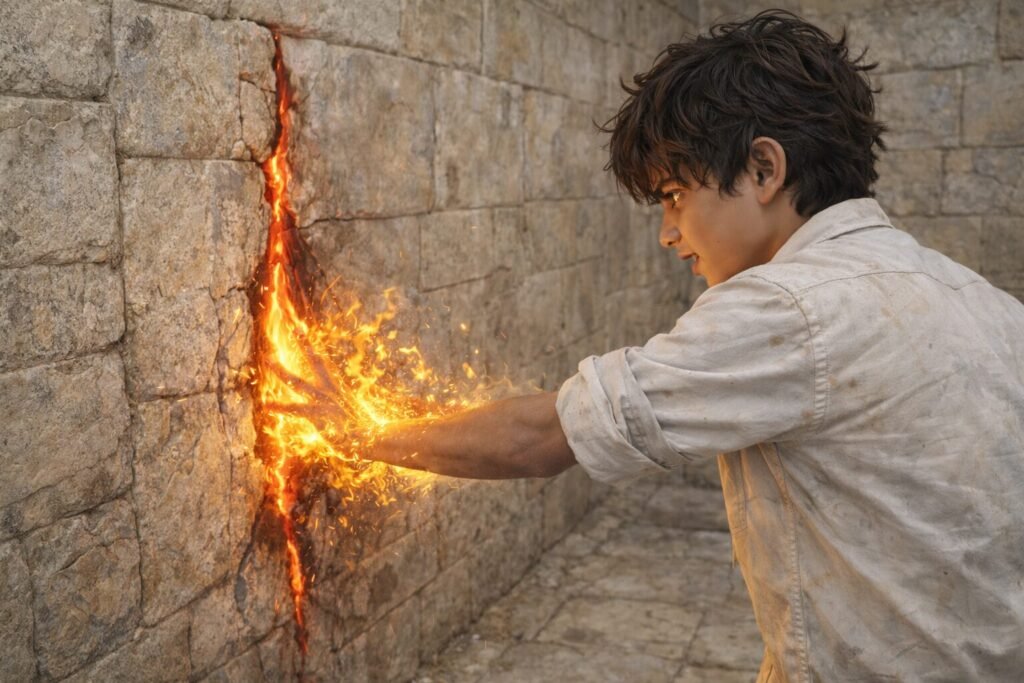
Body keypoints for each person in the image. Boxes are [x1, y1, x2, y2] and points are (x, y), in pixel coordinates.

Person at [279, 11, 1024, 681]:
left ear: (764, 169)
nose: (670, 234)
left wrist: (353, 432)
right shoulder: (983, 301)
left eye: (675, 196)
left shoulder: (787, 308)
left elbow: (544, 438)